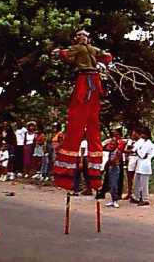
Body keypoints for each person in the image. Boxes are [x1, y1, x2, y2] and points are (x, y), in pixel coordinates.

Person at [52, 29, 112, 191]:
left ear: (88, 38)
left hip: (94, 79)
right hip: (84, 79)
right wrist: (59, 52)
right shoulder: (77, 48)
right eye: (80, 36)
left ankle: (94, 177)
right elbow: (66, 54)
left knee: (93, 120)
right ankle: (66, 175)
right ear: (76, 38)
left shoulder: (92, 49)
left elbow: (104, 56)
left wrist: (106, 57)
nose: (83, 38)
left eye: (85, 36)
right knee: (78, 117)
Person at [133, 127, 154, 206]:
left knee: (144, 184)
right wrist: (137, 150)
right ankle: (136, 197)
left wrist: (137, 151)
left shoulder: (148, 143)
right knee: (136, 182)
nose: (142, 135)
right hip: (139, 165)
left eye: (143, 134)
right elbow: (134, 149)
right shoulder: (142, 142)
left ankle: (145, 199)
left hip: (145, 166)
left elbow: (142, 155)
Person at [104, 130, 125, 208]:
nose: (111, 145)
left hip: (115, 168)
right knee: (110, 184)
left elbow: (115, 161)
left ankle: (115, 200)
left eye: (113, 144)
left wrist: (108, 163)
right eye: (111, 143)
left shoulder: (117, 151)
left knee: (114, 185)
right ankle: (112, 200)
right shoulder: (109, 151)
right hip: (110, 168)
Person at [123, 128, 141, 200]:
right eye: (132, 134)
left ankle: (139, 193)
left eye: (134, 134)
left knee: (138, 177)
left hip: (138, 159)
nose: (133, 135)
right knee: (130, 177)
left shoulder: (141, 142)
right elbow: (125, 150)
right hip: (131, 159)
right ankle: (129, 193)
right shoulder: (130, 141)